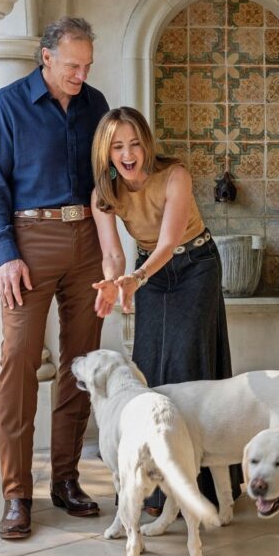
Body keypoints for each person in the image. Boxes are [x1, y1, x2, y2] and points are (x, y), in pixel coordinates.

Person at [0, 16, 111, 540]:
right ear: (46, 57)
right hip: (29, 242)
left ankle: (66, 479)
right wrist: (5, 254)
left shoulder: (94, 105)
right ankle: (16, 494)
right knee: (18, 362)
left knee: (82, 362)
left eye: (87, 66)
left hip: (87, 244)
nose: (81, 75)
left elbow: (107, 180)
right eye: (73, 65)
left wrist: (111, 249)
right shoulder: (7, 106)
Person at [90, 106, 233, 513]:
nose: (128, 153)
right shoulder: (104, 193)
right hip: (147, 270)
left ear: (146, 144)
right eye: (118, 146)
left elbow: (169, 242)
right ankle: (150, 488)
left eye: (135, 143)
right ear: (107, 152)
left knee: (188, 365)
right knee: (147, 366)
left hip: (195, 266)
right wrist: (112, 283)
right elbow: (113, 255)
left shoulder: (175, 175)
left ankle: (199, 487)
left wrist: (136, 277)